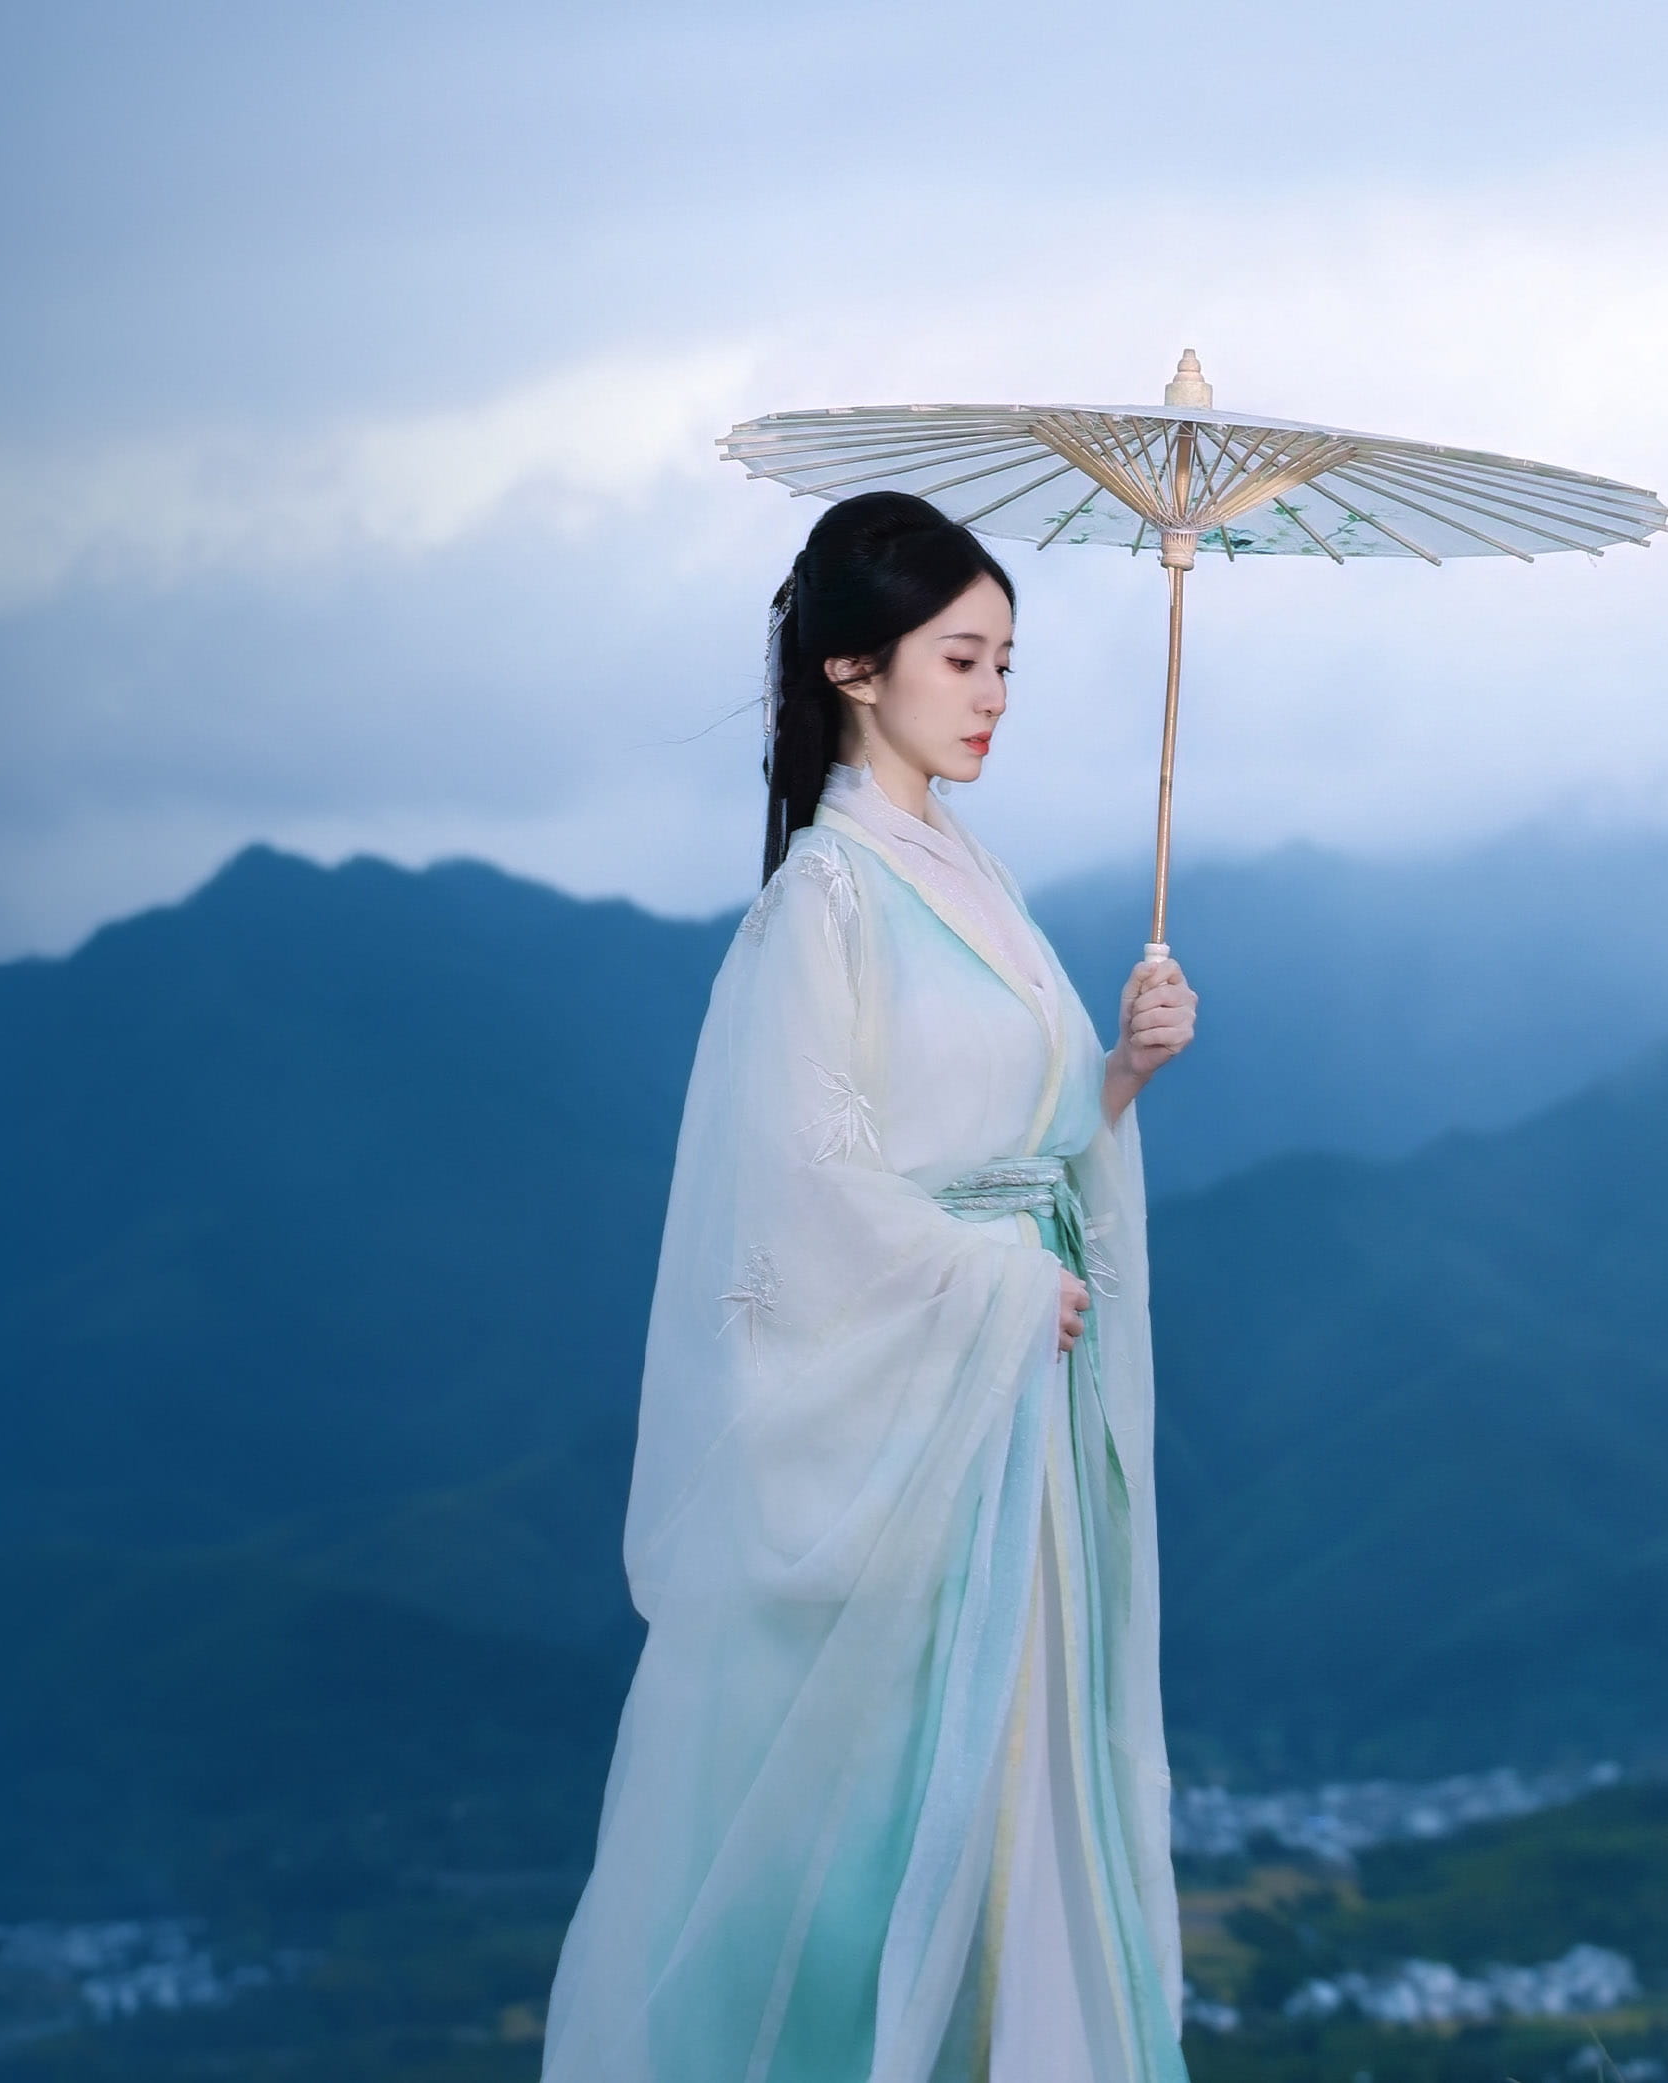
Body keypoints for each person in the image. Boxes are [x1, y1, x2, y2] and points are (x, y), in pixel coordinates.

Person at [540, 490, 1203, 2083]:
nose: (991, 697)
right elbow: (803, 1190)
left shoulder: (971, 877)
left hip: (1011, 1426)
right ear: (855, 667)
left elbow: (1010, 1144)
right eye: (963, 659)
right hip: (932, 1431)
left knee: (1027, 1808)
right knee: (901, 1835)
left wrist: (1117, 1070)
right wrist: (985, 1287)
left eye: (1007, 668)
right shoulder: (824, 903)